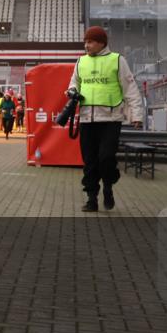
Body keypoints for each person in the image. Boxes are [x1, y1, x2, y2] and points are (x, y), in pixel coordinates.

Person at [66, 25, 144, 212]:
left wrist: (136, 115)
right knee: (90, 162)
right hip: (86, 120)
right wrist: (71, 92)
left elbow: (130, 89)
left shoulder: (117, 60)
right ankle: (92, 198)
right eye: (85, 41)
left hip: (110, 120)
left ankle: (108, 186)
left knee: (106, 158)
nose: (86, 45)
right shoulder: (81, 62)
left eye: (90, 41)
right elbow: (73, 83)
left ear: (101, 43)